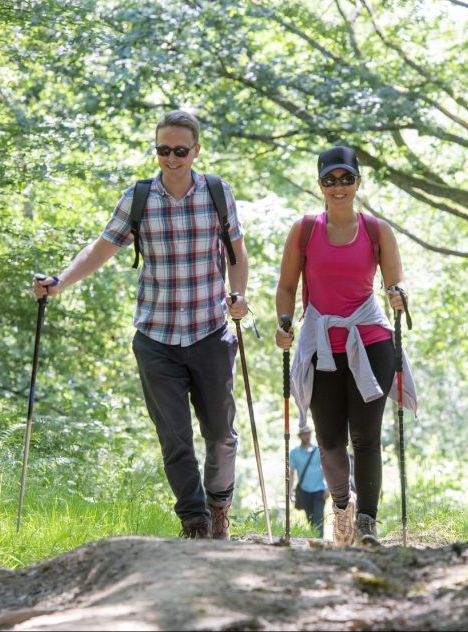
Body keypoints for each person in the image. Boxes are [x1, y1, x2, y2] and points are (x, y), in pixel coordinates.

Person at [33, 110, 249, 540]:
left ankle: (218, 505)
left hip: (210, 331)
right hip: (156, 337)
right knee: (174, 438)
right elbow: (100, 249)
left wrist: (239, 295)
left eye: (180, 150)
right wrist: (59, 283)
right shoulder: (139, 198)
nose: (171, 158)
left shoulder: (218, 195)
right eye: (163, 150)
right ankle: (194, 521)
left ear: (196, 151)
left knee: (221, 435)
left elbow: (236, 255)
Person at [275, 146, 416, 547]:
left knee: (367, 437)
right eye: (329, 180)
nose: (338, 187)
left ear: (357, 182)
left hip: (370, 340)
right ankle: (342, 510)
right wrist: (283, 324)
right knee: (330, 440)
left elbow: (398, 280)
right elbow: (286, 288)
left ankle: (368, 524)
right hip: (322, 345)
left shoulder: (376, 230)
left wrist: (400, 295)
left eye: (346, 179)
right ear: (319, 184)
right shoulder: (305, 229)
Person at [290, 426, 328, 537]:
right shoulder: (294, 453)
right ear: (300, 436)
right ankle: (314, 539)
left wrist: (328, 487)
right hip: (304, 490)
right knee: (310, 518)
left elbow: (327, 468)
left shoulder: (319, 451)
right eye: (304, 434)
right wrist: (290, 491)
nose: (307, 436)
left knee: (319, 517)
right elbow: (291, 473)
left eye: (308, 433)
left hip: (319, 490)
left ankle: (320, 541)